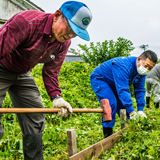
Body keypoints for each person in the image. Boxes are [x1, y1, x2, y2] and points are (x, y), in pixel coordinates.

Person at [0, 1, 92, 159]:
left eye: (76, 33)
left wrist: (57, 97)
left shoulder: (63, 42)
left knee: (35, 115)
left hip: (22, 73)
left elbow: (51, 72)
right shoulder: (26, 22)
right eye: (70, 28)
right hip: (2, 67)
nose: (70, 35)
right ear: (57, 16)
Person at [90, 50, 157, 138]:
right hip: (100, 79)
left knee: (124, 108)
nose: (147, 69)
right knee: (111, 103)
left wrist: (140, 110)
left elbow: (140, 90)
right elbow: (123, 90)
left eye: (150, 68)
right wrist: (132, 112)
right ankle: (107, 136)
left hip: (115, 83)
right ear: (139, 59)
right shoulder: (123, 65)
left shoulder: (141, 72)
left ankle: (128, 133)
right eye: (146, 65)